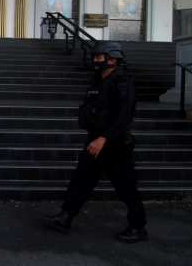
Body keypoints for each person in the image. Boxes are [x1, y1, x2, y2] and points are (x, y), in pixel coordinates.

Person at [41, 41, 148, 243]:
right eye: (94, 58)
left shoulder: (122, 82)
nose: (95, 61)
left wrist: (103, 138)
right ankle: (65, 217)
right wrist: (96, 138)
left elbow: (123, 116)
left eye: (99, 58)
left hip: (114, 144)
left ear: (113, 59)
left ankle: (138, 227)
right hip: (95, 141)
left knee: (126, 187)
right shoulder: (98, 81)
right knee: (82, 179)